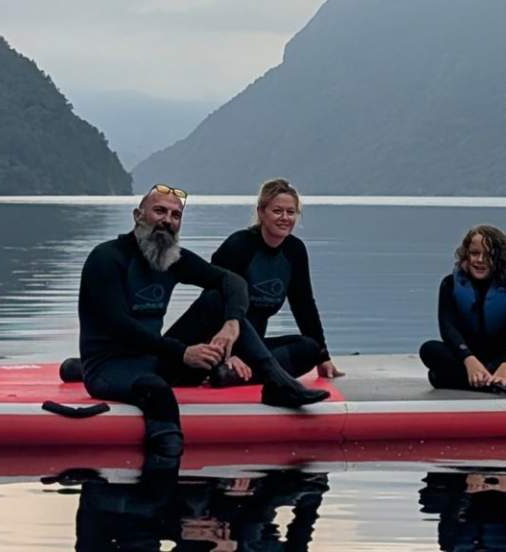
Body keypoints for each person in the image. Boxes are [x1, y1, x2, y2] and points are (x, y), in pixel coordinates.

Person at [77, 184, 331, 462]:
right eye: (160, 211)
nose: (167, 220)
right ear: (138, 215)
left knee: (217, 299)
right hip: (110, 366)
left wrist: (232, 322)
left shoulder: (172, 257)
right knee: (156, 390)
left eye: (175, 215)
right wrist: (183, 352)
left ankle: (277, 381)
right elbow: (118, 327)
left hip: (156, 359)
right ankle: (162, 475)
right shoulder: (106, 258)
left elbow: (230, 281)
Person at [177, 178, 341, 387]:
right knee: (217, 298)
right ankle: (227, 367)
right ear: (262, 212)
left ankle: (233, 374)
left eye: (291, 212)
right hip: (216, 340)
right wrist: (230, 353)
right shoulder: (239, 245)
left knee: (310, 348)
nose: (285, 218)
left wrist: (323, 355)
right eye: (277, 211)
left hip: (253, 349)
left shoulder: (295, 251)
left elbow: (304, 305)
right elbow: (213, 303)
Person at [418, 224, 506, 393]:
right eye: (474, 253)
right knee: (429, 349)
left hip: (499, 359)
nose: (480, 260)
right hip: (464, 357)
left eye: (488, 255)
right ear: (466, 254)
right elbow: (448, 329)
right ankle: (497, 383)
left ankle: (474, 380)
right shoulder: (449, 284)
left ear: (500, 258)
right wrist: (469, 360)